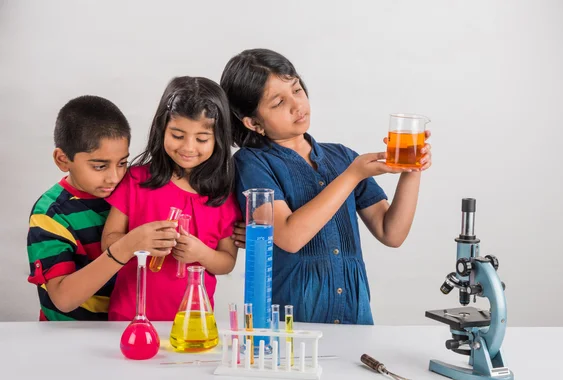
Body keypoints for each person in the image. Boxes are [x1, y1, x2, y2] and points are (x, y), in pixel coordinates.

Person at [220, 49, 432, 324]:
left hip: (356, 317)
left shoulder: (342, 157)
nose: (297, 105)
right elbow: (290, 237)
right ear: (253, 123)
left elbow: (391, 233)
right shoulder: (252, 163)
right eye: (278, 102)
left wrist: (411, 170)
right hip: (295, 321)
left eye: (297, 90)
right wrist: (352, 176)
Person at [102, 77, 243, 321]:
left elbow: (226, 262)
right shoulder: (136, 181)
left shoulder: (223, 197)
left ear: (218, 139)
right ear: (162, 129)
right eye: (177, 135)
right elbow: (108, 242)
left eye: (201, 139)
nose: (188, 147)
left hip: (191, 323)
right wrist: (138, 241)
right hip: (129, 316)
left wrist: (201, 253)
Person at [27, 95, 179, 321]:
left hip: (123, 329)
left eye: (122, 163)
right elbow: (63, 299)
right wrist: (126, 246)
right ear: (62, 159)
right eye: (100, 166)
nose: (114, 177)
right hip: (66, 338)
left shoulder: (133, 192)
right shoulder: (50, 214)